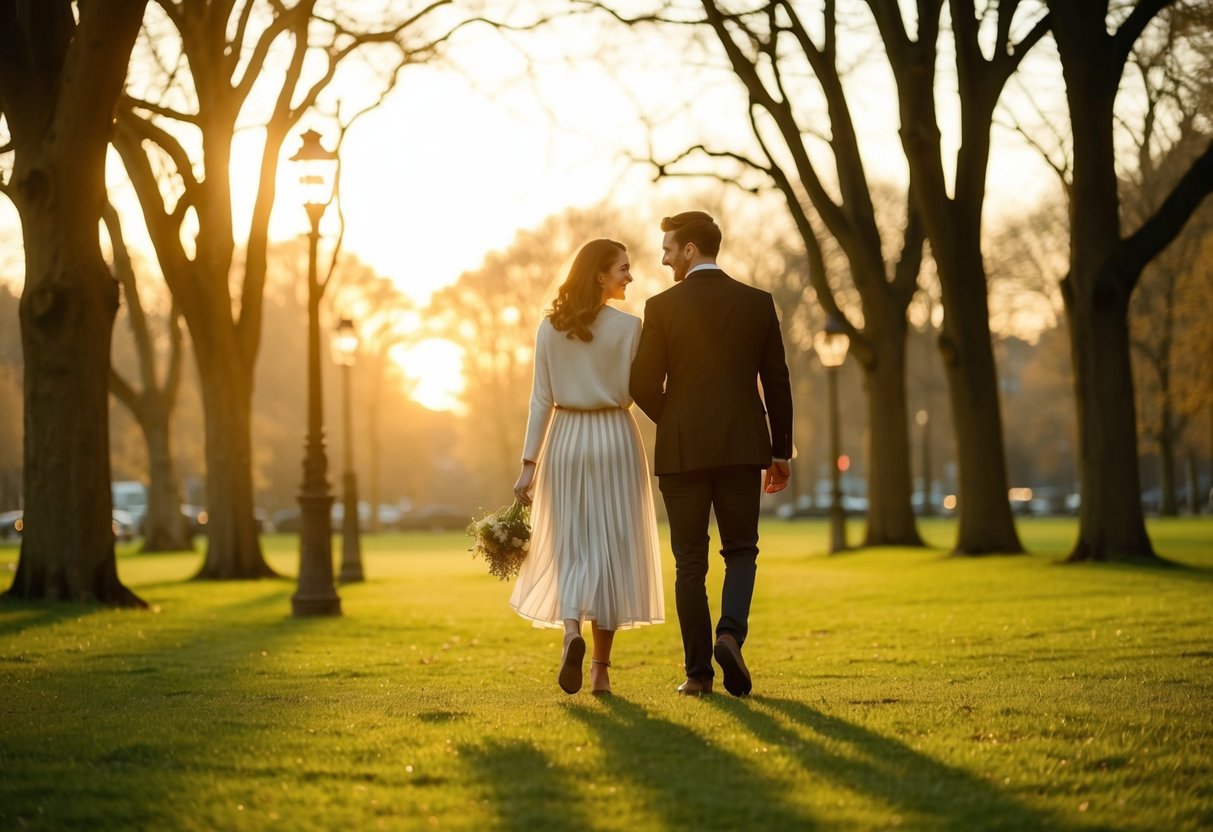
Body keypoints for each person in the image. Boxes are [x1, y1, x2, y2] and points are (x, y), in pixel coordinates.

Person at [630, 211, 793, 697]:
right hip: (744, 446)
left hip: (683, 454)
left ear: (690, 250)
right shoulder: (757, 303)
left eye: (668, 249)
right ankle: (730, 635)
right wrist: (780, 451)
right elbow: (777, 382)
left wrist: (676, 421)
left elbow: (641, 384)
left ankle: (699, 675)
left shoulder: (660, 308)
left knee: (689, 564)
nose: (663, 258)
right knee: (741, 550)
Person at [510, 238, 665, 696]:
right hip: (615, 437)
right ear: (600, 274)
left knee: (572, 545)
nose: (629, 277)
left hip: (566, 440)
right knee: (613, 548)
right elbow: (642, 389)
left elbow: (540, 400)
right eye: (623, 268)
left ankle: (571, 629)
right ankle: (599, 669)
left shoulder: (549, 328)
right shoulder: (629, 327)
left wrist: (528, 465)